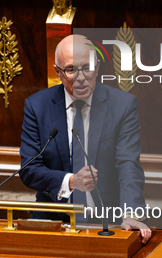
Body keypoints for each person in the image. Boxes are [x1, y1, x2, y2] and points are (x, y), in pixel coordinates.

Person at [19, 35, 151, 243]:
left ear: (97, 67)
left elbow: (128, 164)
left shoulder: (122, 106)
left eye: (87, 67)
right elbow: (30, 169)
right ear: (58, 73)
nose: (81, 77)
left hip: (109, 223)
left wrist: (131, 214)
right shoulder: (38, 107)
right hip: (53, 224)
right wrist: (71, 181)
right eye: (71, 69)